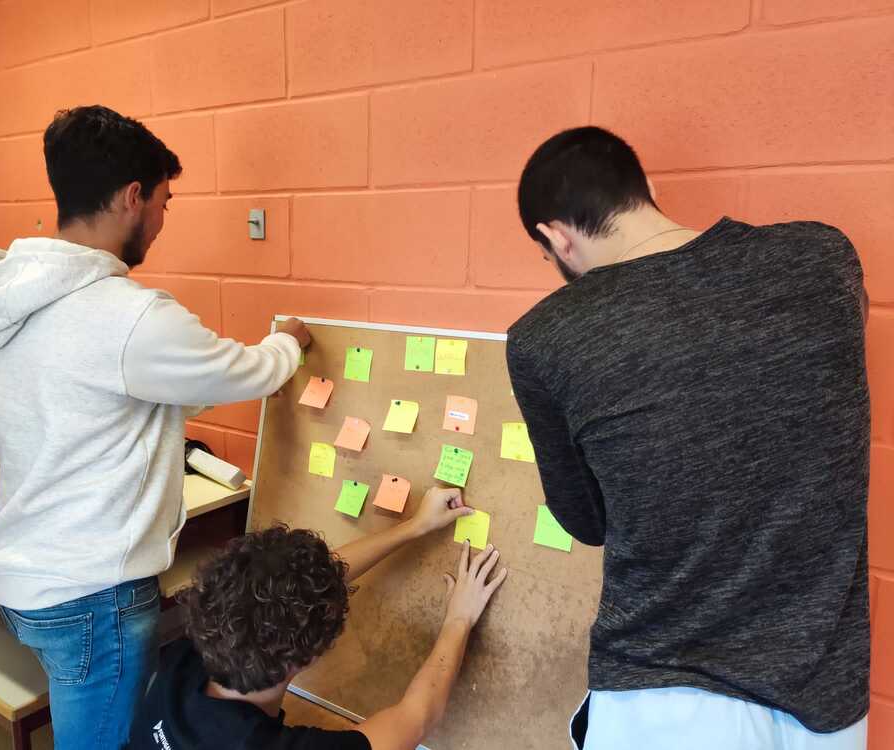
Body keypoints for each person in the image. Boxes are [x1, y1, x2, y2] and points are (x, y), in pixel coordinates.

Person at [507, 126, 869, 750]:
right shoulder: (824, 257)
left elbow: (587, 522)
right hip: (828, 701)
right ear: (645, 188)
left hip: (666, 697)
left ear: (556, 237)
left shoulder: (545, 337)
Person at [0, 105, 311, 749]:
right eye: (163, 202)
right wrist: (288, 341)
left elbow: (103, 395)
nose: (161, 220)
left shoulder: (13, 294)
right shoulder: (129, 316)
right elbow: (248, 372)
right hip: (92, 594)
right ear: (133, 197)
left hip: (24, 570)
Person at [128, 487, 508, 750]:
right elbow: (417, 717)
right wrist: (459, 618)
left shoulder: (188, 653)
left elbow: (308, 589)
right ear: (308, 658)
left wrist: (415, 526)